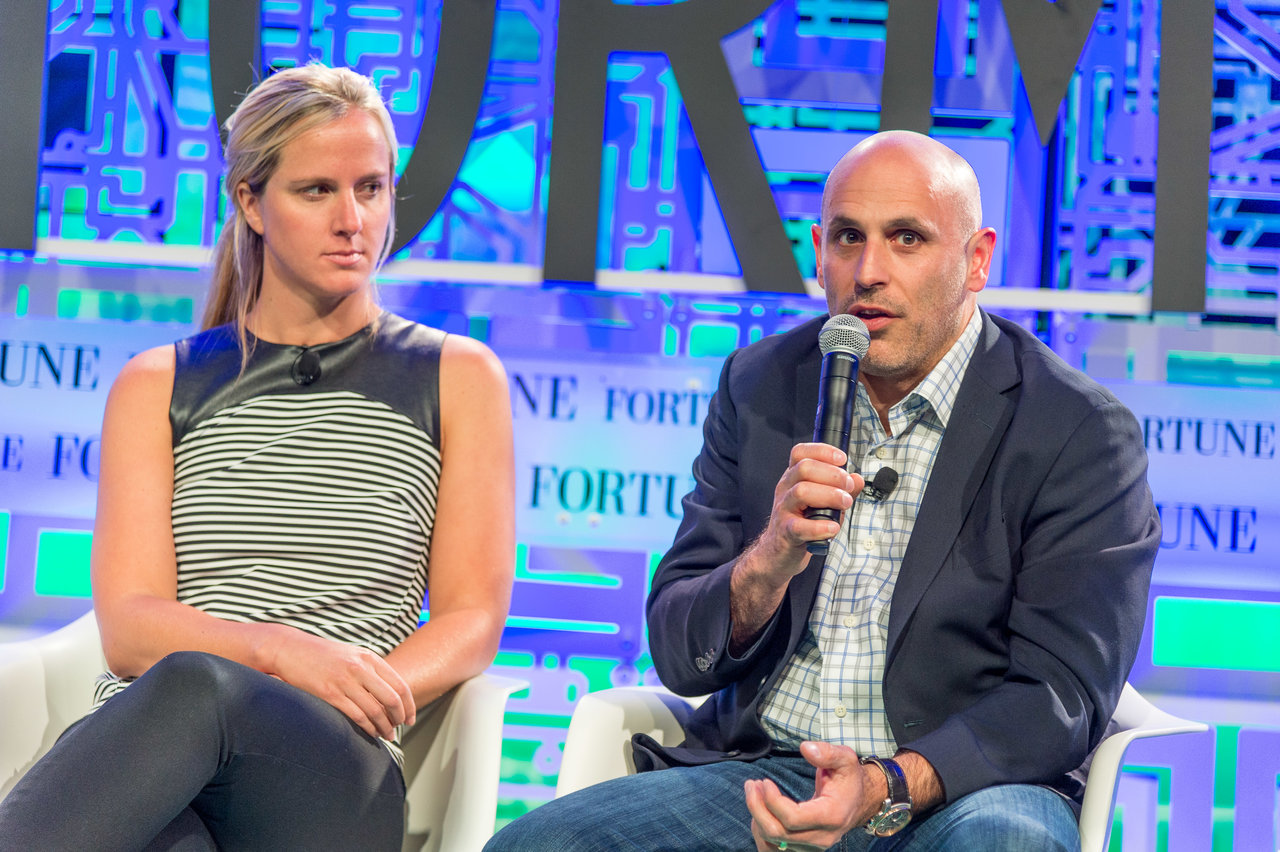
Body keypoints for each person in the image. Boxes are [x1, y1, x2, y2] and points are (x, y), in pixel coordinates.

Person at [485, 130, 1159, 851]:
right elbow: (678, 653)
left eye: (907, 239)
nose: (869, 271)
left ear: (977, 259)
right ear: (818, 251)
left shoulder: (1076, 431)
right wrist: (766, 561)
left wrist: (885, 784)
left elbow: (1061, 695)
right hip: (764, 772)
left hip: (963, 790)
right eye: (848, 238)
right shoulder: (761, 386)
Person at [0, 64, 514, 850]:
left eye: (371, 188)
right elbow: (131, 627)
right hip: (159, 752)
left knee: (196, 681)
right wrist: (281, 652)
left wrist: (355, 690)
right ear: (250, 202)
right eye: (317, 191)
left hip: (334, 767)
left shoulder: (456, 375)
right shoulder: (159, 383)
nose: (353, 220)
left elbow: (471, 617)